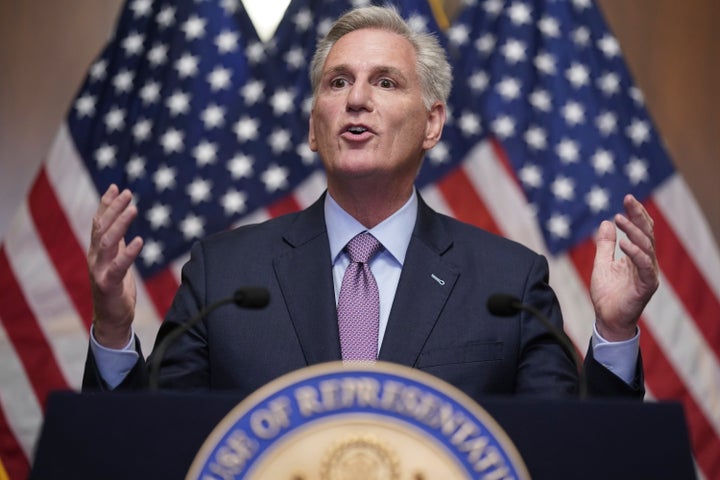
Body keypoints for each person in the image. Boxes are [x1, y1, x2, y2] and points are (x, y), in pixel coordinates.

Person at [83, 6, 658, 402]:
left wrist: (613, 332)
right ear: (314, 127)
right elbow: (151, 443)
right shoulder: (224, 275)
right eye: (337, 83)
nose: (356, 98)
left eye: (385, 82)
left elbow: (565, 453)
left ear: (432, 123)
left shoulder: (508, 283)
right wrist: (112, 328)